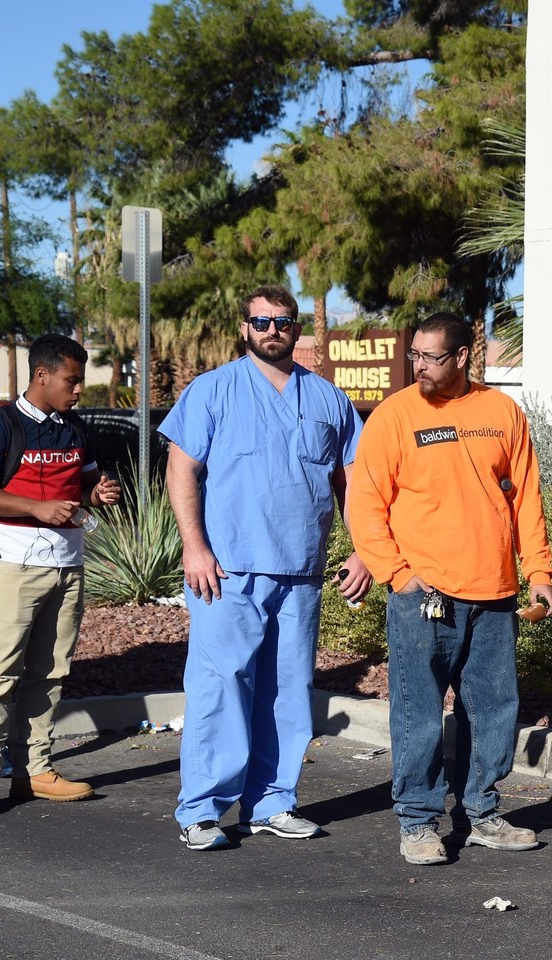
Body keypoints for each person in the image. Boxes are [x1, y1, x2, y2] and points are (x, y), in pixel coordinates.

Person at [161, 284, 372, 852]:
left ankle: (272, 802)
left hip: (300, 569)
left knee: (286, 690)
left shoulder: (328, 400)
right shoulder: (212, 391)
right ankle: (202, 810)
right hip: (226, 569)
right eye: (260, 322)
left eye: (282, 321)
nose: (271, 330)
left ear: (297, 328)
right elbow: (181, 468)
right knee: (220, 684)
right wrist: (194, 546)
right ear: (243, 329)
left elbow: (354, 480)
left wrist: (363, 547)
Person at [349, 311, 552, 866]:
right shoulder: (395, 416)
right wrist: (399, 575)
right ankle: (418, 823)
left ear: (462, 356)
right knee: (418, 712)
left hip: (494, 593)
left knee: (491, 710)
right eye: (413, 355)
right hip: (424, 595)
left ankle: (482, 813)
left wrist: (539, 572)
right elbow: (365, 504)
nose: (418, 365)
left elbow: (525, 497)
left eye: (431, 356)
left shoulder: (501, 412)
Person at [0, 334, 122, 815]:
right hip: (13, 564)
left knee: (50, 674)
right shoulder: (0, 426)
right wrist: (35, 507)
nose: (78, 390)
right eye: (72, 380)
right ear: (42, 376)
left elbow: (86, 483)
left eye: (81, 380)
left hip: (68, 564)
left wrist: (100, 493)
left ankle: (35, 771)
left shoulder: (75, 428)